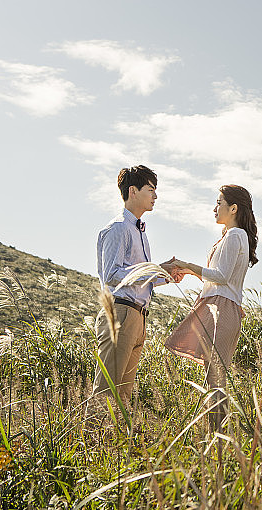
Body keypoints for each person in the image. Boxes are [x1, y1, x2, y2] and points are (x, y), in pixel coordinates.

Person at [165, 184, 258, 431]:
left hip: (223, 308)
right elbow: (216, 280)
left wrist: (187, 264)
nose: (214, 208)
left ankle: (219, 437)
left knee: (215, 378)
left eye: (219, 203)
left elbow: (222, 276)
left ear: (234, 208)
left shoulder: (236, 235)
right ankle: (216, 435)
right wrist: (187, 270)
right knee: (213, 377)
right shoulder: (230, 236)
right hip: (218, 304)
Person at [91, 165, 182, 411]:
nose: (155, 196)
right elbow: (111, 275)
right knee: (106, 392)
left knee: (124, 395)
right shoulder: (118, 228)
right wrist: (153, 269)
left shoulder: (140, 231)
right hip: (120, 313)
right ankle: (93, 441)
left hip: (139, 317)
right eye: (150, 189)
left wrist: (166, 275)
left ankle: (115, 444)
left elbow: (139, 278)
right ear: (133, 191)